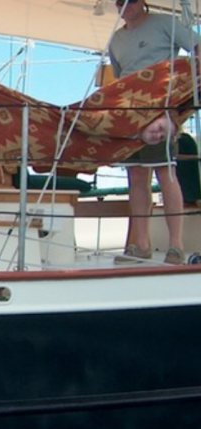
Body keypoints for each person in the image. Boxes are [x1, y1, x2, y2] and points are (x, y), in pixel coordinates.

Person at [109, 0, 199, 265]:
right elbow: (120, 78)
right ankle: (141, 244)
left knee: (165, 171)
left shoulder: (164, 23)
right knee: (136, 175)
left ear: (142, 2)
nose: (124, 5)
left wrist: (183, 99)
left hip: (161, 110)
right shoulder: (116, 39)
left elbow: (197, 47)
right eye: (118, 1)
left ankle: (176, 247)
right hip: (129, 115)